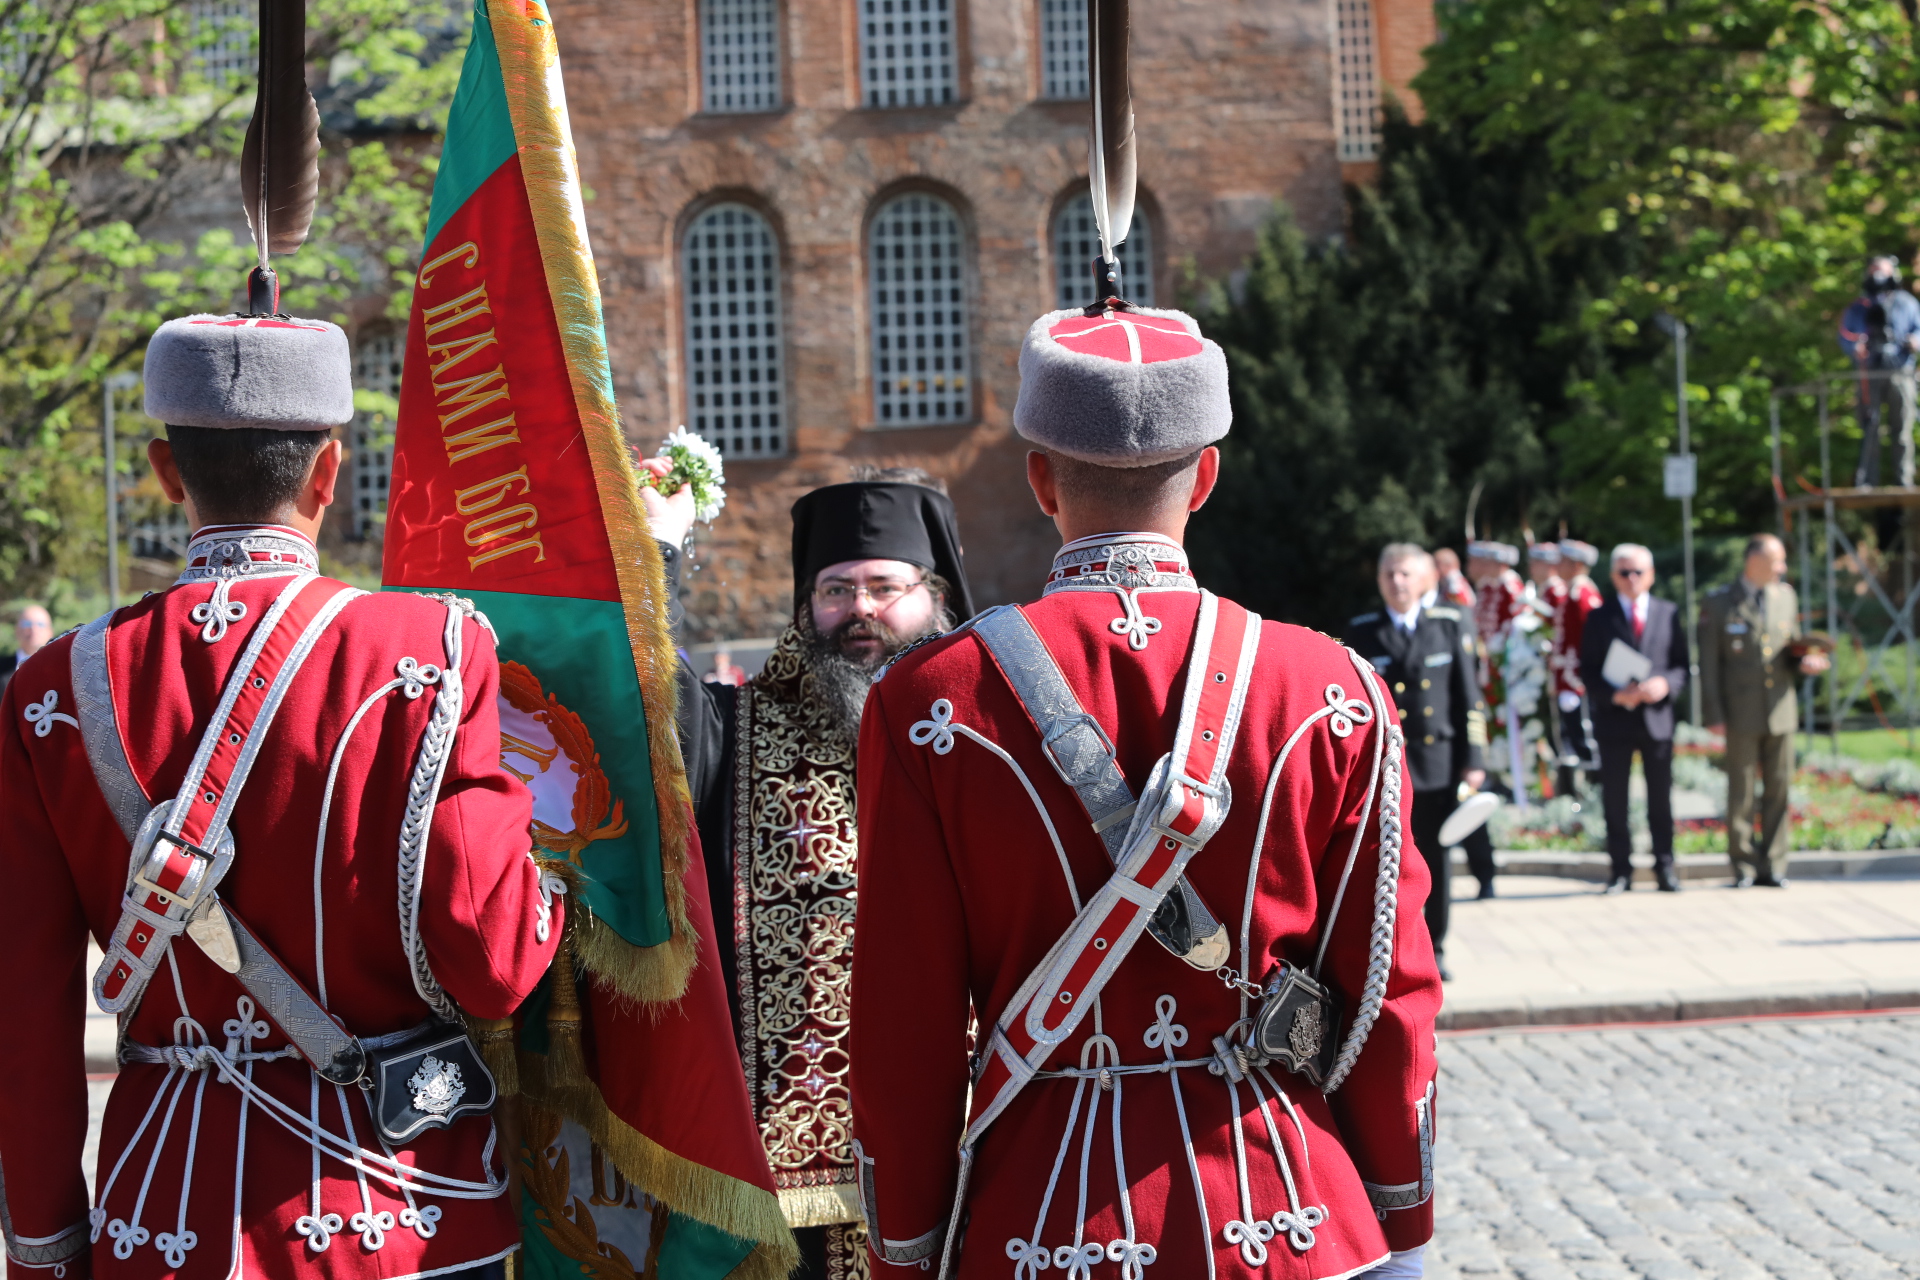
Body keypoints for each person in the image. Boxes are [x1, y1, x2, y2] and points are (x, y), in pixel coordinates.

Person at [849, 303, 1441, 1278]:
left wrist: (906, 1246)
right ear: (1206, 474)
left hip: (1041, 1226)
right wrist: (1400, 1219)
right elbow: (1388, 994)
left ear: (1039, 477)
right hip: (1288, 1215)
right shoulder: (1333, 687)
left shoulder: (928, 700)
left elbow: (901, 1024)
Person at [0, 312, 563, 1278]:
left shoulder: (52, 690)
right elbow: (490, 957)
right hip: (398, 1212)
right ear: (330, 470)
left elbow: (25, 1005)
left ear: (166, 474)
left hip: (159, 1217)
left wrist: (46, 1244)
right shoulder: (429, 649)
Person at [642, 465, 973, 1280]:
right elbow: (644, 697)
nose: (859, 609)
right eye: (835, 590)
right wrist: (657, 551)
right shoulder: (735, 727)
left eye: (885, 587)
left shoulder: (986, 739)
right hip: (778, 1188)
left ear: (934, 597)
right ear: (806, 607)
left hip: (965, 1148)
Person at [1345, 543, 1489, 979]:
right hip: (1390, 765)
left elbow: (1470, 698)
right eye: (1389, 574)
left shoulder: (1448, 624)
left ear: (1424, 578)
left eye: (1405, 573)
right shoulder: (1363, 630)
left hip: (1439, 763)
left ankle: (1437, 945)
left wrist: (1475, 758)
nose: (1397, 582)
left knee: (1437, 860)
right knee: (1390, 863)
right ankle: (1394, 949)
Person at [1699, 534, 1830, 888]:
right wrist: (1714, 714)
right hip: (1740, 710)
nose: (1782, 568)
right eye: (1777, 561)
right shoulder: (1720, 602)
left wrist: (1807, 661)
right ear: (1754, 562)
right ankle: (1742, 865)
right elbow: (1709, 664)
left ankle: (1773, 865)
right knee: (1741, 791)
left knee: (1779, 787)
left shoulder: (1784, 596)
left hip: (1780, 709)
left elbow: (1792, 647)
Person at [1579, 543, 1690, 893]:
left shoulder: (1668, 612)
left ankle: (1665, 867)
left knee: (1660, 799)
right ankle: (1620, 871)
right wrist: (1614, 694)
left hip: (1656, 718)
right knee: (1616, 799)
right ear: (1613, 576)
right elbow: (1588, 671)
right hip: (1616, 720)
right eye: (1624, 572)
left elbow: (1682, 667)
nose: (1632, 579)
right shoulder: (1599, 617)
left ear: (1651, 575)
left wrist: (1664, 685)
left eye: (1638, 572)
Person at [1838, 255, 1920, 488]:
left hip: (1901, 371)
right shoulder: (1858, 307)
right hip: (1869, 372)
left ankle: (1904, 480)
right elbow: (1845, 336)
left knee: (1902, 429)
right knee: (1870, 429)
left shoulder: (1907, 303)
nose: (1879, 277)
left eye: (1883, 271)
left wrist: (1915, 341)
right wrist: (1856, 347)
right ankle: (1867, 482)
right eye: (1874, 271)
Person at [1553, 539, 1604, 795]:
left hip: (1578, 680)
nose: (1557, 566)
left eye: (1562, 561)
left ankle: (1596, 792)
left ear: (1575, 565)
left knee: (1586, 737)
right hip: (1568, 677)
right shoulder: (1572, 591)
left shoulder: (1583, 595)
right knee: (1573, 735)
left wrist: (1579, 675)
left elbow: (1591, 641)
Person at [0, 603, 53, 693]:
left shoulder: (59, 669)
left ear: (50, 632)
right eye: (27, 624)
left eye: (40, 624)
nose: (33, 629)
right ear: (16, 630)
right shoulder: (2, 668)